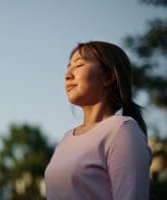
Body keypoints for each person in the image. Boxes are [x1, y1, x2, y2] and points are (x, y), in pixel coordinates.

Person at [44, 41, 152, 200]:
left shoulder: (122, 130)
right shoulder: (66, 139)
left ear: (108, 76)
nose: (68, 75)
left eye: (79, 65)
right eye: (68, 67)